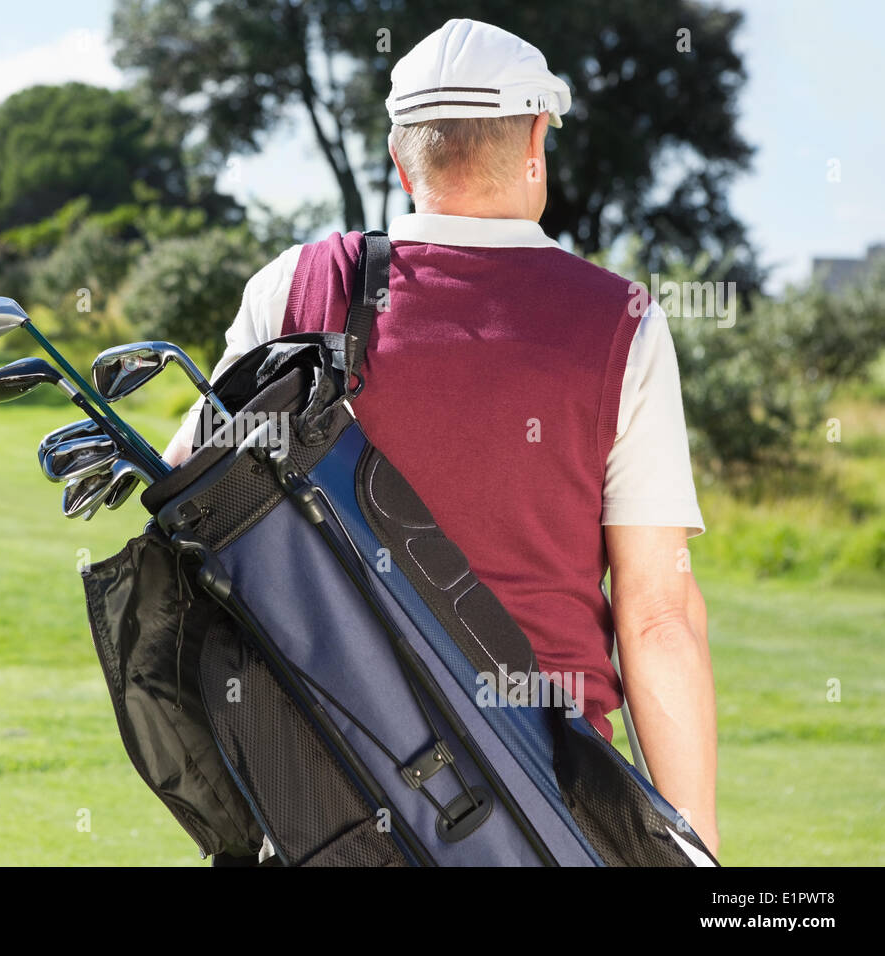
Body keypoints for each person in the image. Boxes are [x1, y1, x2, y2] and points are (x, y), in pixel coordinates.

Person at [165, 18, 719, 857]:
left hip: (326, 806)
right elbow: (658, 617)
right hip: (544, 814)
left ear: (401, 159)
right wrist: (694, 849)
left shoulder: (296, 287)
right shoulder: (621, 322)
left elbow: (191, 505)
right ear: (537, 139)